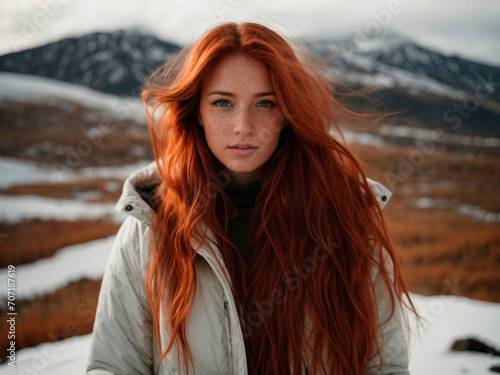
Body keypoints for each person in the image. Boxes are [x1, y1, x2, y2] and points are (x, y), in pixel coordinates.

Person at [87, 22, 416, 375]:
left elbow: (385, 366)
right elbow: (114, 365)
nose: (243, 125)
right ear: (196, 109)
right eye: (223, 102)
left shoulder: (346, 217)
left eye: (264, 103)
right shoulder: (150, 225)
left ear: (287, 114)